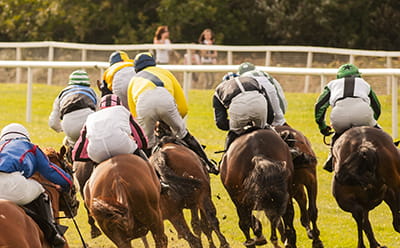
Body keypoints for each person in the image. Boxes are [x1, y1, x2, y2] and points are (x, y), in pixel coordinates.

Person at [127, 52, 219, 175]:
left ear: (136, 69)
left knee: (146, 144)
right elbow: (183, 108)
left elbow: (134, 116)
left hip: (143, 104)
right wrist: (172, 121)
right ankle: (208, 164)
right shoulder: (165, 72)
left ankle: (144, 175)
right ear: (154, 63)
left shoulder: (133, 81)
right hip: (164, 98)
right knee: (183, 134)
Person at [72, 94, 169, 192]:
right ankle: (158, 182)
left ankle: (89, 191)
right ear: (119, 104)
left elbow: (80, 147)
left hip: (97, 153)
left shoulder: (91, 117)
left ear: (100, 107)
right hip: (121, 145)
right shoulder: (122, 111)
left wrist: (85, 157)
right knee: (142, 156)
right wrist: (139, 146)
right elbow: (139, 134)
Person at [0, 123, 73, 248]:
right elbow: (50, 170)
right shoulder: (31, 148)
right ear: (26, 138)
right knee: (41, 189)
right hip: (13, 185)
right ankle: (54, 234)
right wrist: (67, 183)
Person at [314, 63, 381, 172]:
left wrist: (322, 126)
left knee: (336, 136)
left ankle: (331, 157)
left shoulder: (332, 84)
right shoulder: (364, 83)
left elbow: (319, 106)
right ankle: (392, 149)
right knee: (381, 134)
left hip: (339, 116)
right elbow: (377, 107)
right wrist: (373, 122)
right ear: (358, 75)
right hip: (362, 113)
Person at [213, 72, 271, 150]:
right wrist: (266, 123)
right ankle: (285, 148)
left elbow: (220, 123)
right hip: (259, 103)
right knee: (265, 129)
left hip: (238, 108)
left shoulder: (219, 90)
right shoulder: (252, 80)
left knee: (233, 134)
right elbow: (270, 112)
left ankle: (225, 158)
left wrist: (236, 127)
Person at [48, 70, 98, 150]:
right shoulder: (93, 92)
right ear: (87, 83)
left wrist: (62, 129)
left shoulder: (62, 94)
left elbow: (53, 123)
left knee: (72, 148)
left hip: (69, 126)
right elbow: (99, 114)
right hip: (89, 126)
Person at [238, 62, 288, 126]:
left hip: (262, 109)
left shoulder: (243, 78)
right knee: (280, 121)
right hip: (280, 106)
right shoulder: (265, 74)